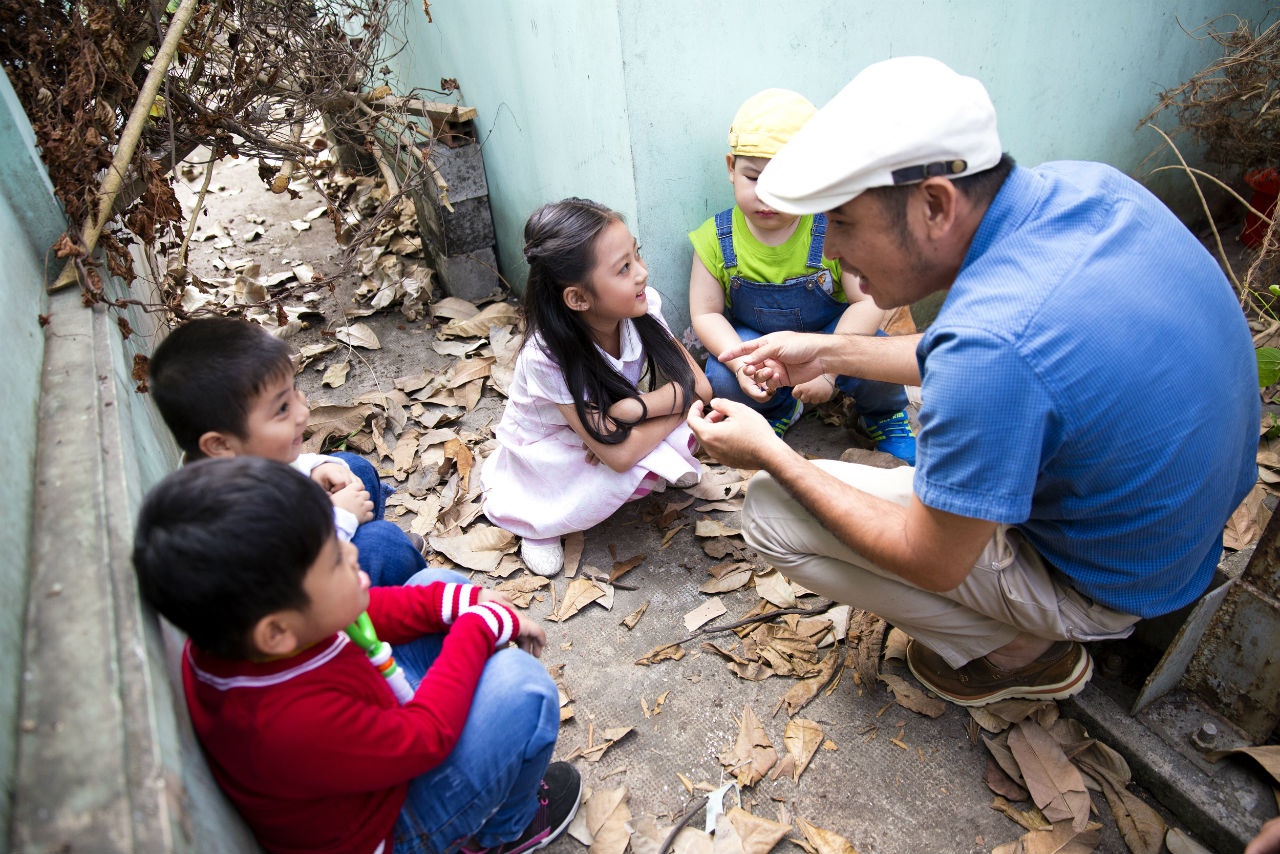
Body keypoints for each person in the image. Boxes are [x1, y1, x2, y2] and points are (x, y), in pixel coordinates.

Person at [688, 56, 1259, 707]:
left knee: (767, 509)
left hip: (1103, 587)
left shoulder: (990, 349)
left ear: (934, 203)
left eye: (842, 223)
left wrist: (769, 450)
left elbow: (932, 557)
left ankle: (1018, 653)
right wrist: (829, 351)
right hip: (1178, 541)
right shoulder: (1082, 189)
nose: (832, 251)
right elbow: (1013, 340)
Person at [132, 456, 576, 854]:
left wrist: (465, 607)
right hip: (391, 827)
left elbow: (360, 612)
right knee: (524, 690)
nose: (351, 549)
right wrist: (478, 629)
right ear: (277, 632)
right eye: (332, 560)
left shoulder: (241, 629)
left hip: (369, 750)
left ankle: (490, 757)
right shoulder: (289, 723)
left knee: (437, 589)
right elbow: (425, 736)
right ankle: (499, 833)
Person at [482, 198, 713, 576]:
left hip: (609, 425)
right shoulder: (546, 355)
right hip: (554, 446)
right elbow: (620, 456)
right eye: (624, 269)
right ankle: (538, 523)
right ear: (578, 297)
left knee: (691, 425)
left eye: (637, 255)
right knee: (622, 463)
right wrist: (659, 413)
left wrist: (633, 411)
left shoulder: (643, 306)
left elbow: (700, 386)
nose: (642, 273)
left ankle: (633, 450)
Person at [688, 88, 916, 462]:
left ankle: (884, 415)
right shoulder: (714, 238)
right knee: (723, 380)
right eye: (754, 178)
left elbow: (866, 302)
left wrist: (829, 367)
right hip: (759, 343)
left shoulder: (830, 227)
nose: (768, 195)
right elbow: (706, 313)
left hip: (833, 335)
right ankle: (777, 410)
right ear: (731, 168)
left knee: (878, 353)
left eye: (786, 180)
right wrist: (739, 364)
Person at [149, 316, 426, 586]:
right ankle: (396, 585)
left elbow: (279, 469)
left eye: (294, 391)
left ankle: (378, 557)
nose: (303, 412)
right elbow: (289, 573)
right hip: (303, 595)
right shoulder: (219, 516)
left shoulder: (230, 461)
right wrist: (339, 517)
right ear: (220, 445)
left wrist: (317, 468)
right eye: (282, 408)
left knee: (352, 468)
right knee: (384, 546)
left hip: (314, 540)